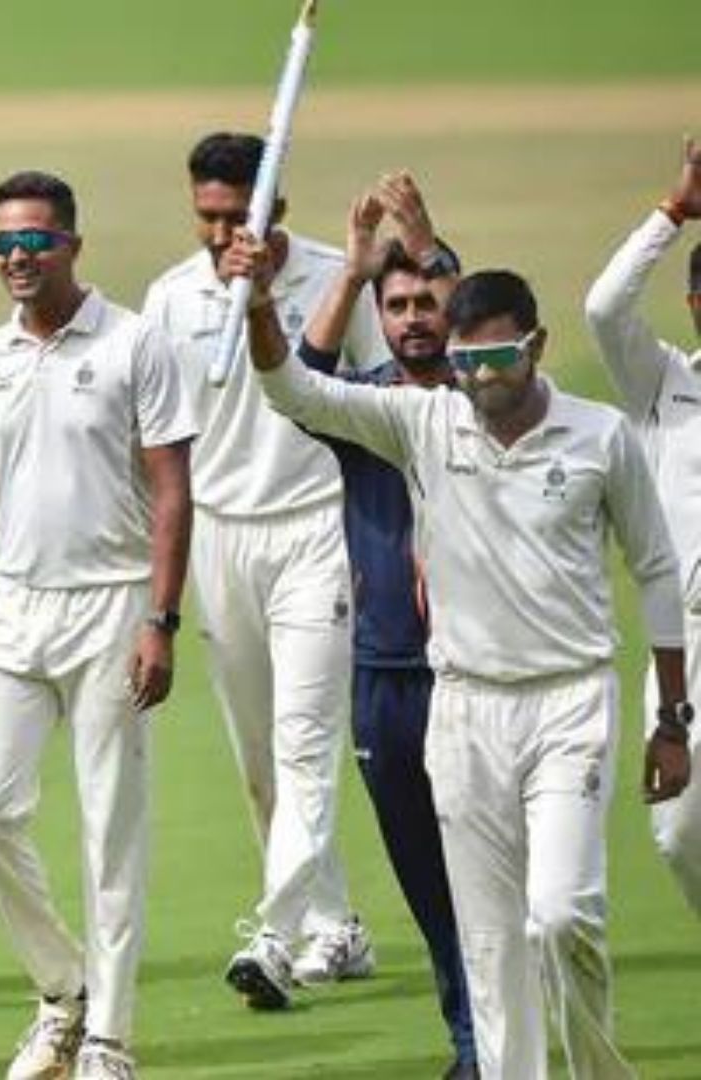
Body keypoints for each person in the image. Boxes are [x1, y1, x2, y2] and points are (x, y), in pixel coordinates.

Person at [247, 252, 692, 1079]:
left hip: (569, 701)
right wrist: (260, 305)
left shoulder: (600, 436)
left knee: (561, 916)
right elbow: (294, 392)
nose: (481, 379)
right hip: (464, 711)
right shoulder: (422, 422)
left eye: (497, 358)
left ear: (538, 343)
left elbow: (657, 570)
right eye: (465, 362)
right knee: (490, 953)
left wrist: (673, 719)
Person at [0, 172, 194, 1080]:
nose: (18, 256)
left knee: (110, 824)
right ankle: (62, 989)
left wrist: (160, 618)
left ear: (72, 242)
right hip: (15, 607)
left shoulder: (132, 344)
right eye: (2, 243)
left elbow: (170, 490)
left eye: (34, 239)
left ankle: (108, 1037)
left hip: (113, 603)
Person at [141, 131, 385, 1004]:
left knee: (306, 740)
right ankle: (333, 925)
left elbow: (381, 402)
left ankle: (273, 937)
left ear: (274, 206)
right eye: (204, 215)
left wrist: (381, 543)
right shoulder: (170, 298)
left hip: (318, 526)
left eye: (233, 215)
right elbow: (158, 447)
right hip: (220, 536)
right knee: (260, 755)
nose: (217, 234)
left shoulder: (333, 277)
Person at [294, 175, 477, 1076]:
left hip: (475, 670)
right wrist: (354, 267)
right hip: (386, 673)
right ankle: (470, 1038)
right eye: (395, 303)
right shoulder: (361, 406)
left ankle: (506, 1035)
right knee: (425, 875)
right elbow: (296, 380)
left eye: (427, 301)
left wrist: (431, 240)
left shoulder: (491, 399)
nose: (413, 317)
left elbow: (486, 334)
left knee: (497, 871)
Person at [584, 136, 701, 915]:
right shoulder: (665, 384)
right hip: (688, 640)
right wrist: (676, 210)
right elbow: (604, 306)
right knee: (678, 833)